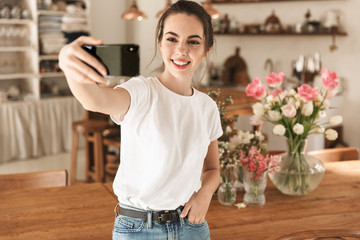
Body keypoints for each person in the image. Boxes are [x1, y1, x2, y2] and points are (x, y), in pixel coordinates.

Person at [59, 1, 223, 239]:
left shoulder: (207, 107)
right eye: (171, 39)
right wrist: (67, 62)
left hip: (191, 225)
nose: (181, 50)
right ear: (159, 42)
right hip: (138, 228)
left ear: (207, 48)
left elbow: (212, 169)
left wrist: (205, 194)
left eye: (193, 41)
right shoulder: (141, 91)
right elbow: (94, 100)